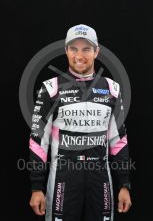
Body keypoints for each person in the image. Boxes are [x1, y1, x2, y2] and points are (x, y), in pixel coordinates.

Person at [29, 24, 132, 221]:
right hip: (63, 181)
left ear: (96, 52)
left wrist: (124, 185)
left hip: (100, 181)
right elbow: (37, 142)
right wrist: (36, 187)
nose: (79, 55)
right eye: (74, 48)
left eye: (86, 48)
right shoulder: (51, 89)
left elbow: (119, 142)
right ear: (66, 50)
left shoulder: (112, 89)